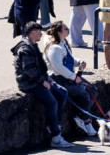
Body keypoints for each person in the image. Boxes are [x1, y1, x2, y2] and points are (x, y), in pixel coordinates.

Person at [12, 21, 73, 149]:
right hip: (29, 83)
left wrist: (48, 79)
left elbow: (40, 67)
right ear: (33, 33)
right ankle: (56, 137)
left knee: (62, 93)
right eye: (39, 31)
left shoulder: (32, 44)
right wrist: (43, 82)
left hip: (38, 80)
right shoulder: (26, 48)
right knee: (52, 102)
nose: (42, 34)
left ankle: (54, 126)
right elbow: (29, 71)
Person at [43, 21, 99, 137]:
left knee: (93, 89)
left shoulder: (63, 43)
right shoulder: (54, 48)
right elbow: (58, 67)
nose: (68, 29)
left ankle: (81, 116)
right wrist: (74, 78)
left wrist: (78, 62)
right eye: (65, 28)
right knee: (83, 92)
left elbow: (69, 59)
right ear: (59, 32)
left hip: (67, 77)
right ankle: (86, 121)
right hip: (58, 79)